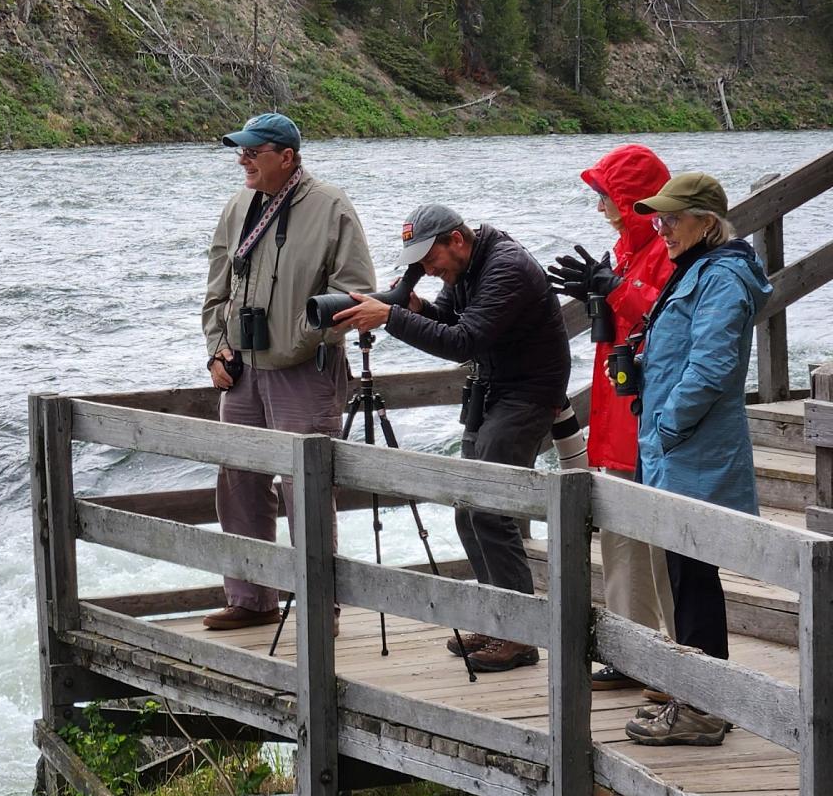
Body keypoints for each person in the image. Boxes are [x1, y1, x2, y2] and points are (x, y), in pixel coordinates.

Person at [334, 204, 570, 671]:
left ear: (457, 240)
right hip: (493, 390)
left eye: (430, 259)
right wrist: (413, 305)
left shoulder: (507, 268)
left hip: (527, 395)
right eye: (419, 264)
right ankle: (499, 620)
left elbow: (462, 341)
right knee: (467, 509)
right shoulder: (468, 265)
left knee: (491, 508)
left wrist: (391, 318)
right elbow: (449, 318)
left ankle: (521, 635)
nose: (427, 269)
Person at [201, 112, 375, 630]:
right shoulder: (237, 206)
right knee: (238, 481)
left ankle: (320, 608)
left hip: (306, 370)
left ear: (288, 157)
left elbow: (354, 293)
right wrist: (217, 348)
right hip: (242, 371)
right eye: (242, 151)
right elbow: (215, 287)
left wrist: (299, 340)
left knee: (308, 489)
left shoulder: (331, 207)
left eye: (254, 152)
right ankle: (251, 599)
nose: (243, 160)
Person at [621, 172, 771, 747]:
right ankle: (695, 698)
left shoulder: (724, 278)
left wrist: (663, 427)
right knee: (683, 573)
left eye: (672, 219)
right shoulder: (701, 270)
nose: (662, 231)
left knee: (694, 575)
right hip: (676, 450)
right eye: (657, 220)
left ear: (706, 223)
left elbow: (710, 369)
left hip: (692, 449)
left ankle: (705, 708)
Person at [546, 145, 678, 693]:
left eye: (606, 195)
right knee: (620, 539)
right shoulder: (625, 250)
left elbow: (664, 314)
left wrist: (613, 289)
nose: (599, 205)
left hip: (650, 417)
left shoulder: (668, 252)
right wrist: (597, 290)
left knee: (665, 545)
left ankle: (680, 654)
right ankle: (630, 651)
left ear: (632, 200)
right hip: (618, 413)